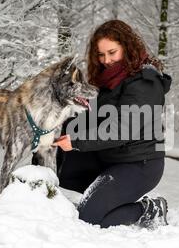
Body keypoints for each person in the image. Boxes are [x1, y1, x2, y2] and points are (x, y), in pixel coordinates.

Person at [47, 20, 172, 229]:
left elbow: (121, 130)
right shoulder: (107, 80)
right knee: (67, 194)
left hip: (140, 164)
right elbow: (91, 116)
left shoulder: (145, 83)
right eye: (101, 54)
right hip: (109, 158)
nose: (106, 60)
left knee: (89, 216)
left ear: (127, 47)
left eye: (112, 52)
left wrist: (77, 141)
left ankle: (150, 209)